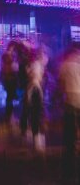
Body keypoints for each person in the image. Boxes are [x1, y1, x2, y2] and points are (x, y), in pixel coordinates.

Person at [59, 43, 80, 182]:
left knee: (70, 128)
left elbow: (61, 83)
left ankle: (71, 149)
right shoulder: (78, 65)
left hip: (69, 98)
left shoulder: (64, 65)